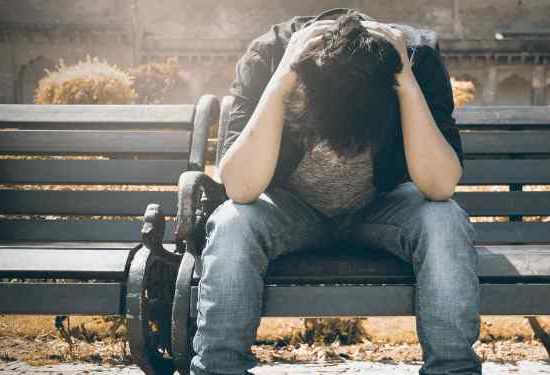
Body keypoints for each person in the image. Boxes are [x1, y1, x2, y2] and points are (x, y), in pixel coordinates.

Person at [192, 8, 481, 375]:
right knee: (233, 222)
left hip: (382, 208)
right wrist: (281, 81)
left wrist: (406, 84)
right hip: (291, 210)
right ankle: (219, 369)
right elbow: (240, 187)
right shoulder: (269, 57)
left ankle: (453, 370)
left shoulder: (416, 59)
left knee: (444, 219)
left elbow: (440, 186)